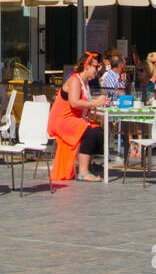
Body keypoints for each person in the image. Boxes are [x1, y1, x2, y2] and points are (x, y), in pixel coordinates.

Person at [48, 53, 111, 182]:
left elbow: (84, 105)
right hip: (62, 120)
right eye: (96, 66)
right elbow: (74, 102)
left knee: (99, 132)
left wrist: (98, 108)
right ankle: (83, 171)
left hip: (74, 119)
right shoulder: (75, 80)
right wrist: (95, 103)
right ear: (86, 67)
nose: (98, 70)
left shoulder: (85, 83)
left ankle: (87, 165)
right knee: (90, 133)